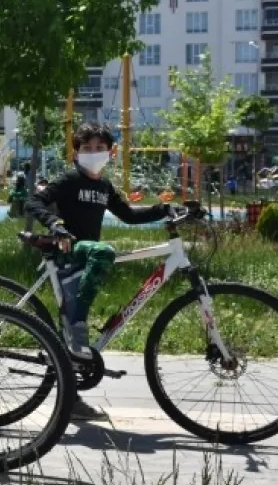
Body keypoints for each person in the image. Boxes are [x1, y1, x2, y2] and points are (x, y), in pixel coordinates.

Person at [24, 122, 173, 422]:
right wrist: (55, 225)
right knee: (103, 252)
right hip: (68, 252)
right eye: (86, 148)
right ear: (76, 153)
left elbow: (129, 216)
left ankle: (71, 398)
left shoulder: (104, 188)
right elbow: (33, 201)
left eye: (99, 148)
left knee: (71, 340)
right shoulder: (69, 180)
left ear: (111, 152)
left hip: (85, 256)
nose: (93, 153)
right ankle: (78, 327)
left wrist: (164, 210)